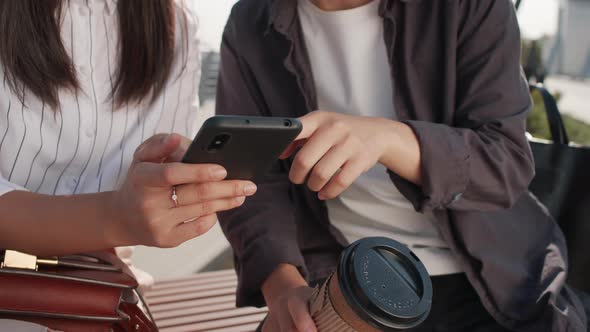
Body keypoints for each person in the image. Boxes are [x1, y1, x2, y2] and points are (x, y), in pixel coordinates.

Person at [216, 0, 587, 331]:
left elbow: (506, 163)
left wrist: (388, 139)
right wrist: (282, 288)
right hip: (339, 279)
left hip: (494, 279)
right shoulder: (250, 21)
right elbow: (249, 180)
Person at [0, 0, 257, 304]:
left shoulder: (174, 24)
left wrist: (167, 190)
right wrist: (112, 218)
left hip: (99, 293)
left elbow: (156, 167)